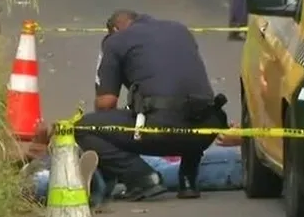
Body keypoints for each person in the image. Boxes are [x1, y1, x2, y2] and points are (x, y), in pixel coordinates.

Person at [73, 10, 228, 202]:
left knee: (85, 127)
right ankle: (188, 180)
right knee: (187, 105)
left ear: (114, 29)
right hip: (207, 127)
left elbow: (106, 104)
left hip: (163, 129)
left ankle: (143, 178)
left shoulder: (116, 41)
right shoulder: (180, 30)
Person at [23, 122, 244, 207]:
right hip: (244, 159)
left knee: (157, 169)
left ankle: (45, 175)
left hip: (241, 163)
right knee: (126, 164)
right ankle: (53, 171)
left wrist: (248, 139)